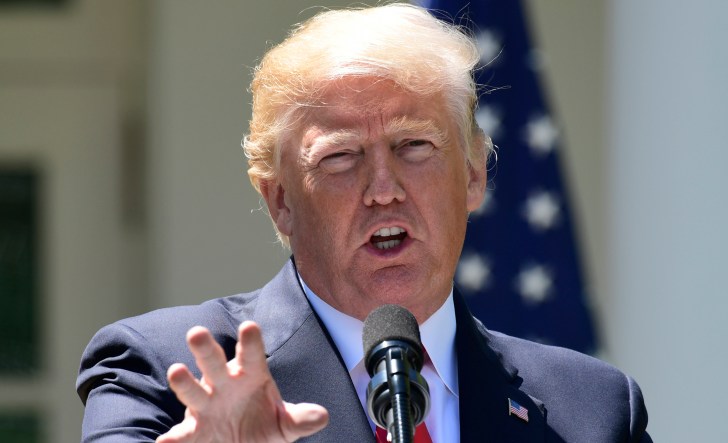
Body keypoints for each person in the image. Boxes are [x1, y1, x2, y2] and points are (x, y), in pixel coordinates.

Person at [76, 3, 652, 442]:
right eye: (340, 157)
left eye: (414, 146)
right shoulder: (165, 373)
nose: (383, 189)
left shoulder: (594, 410)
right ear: (280, 200)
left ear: (474, 174)